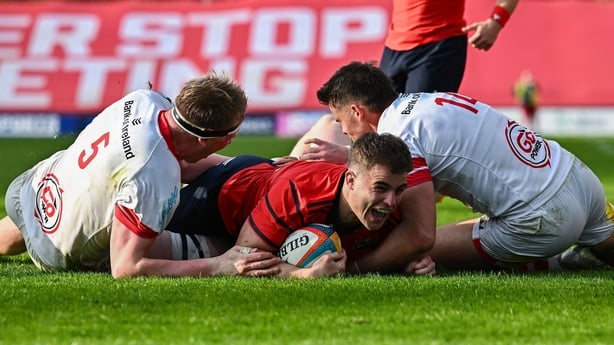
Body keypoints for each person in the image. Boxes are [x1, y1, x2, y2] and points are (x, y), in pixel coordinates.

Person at [291, 61, 614, 271]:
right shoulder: (428, 101)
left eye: (340, 119)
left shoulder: (401, 135)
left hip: (541, 219)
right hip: (579, 179)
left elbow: (418, 235)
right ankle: (587, 254)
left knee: (414, 254)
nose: (343, 130)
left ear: (357, 111)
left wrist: (355, 269)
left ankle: (555, 263)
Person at [0, 73, 282, 278]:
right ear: (203, 140)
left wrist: (258, 166)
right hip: (55, 254)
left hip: (29, 191)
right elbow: (126, 267)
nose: (232, 140)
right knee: (222, 245)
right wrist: (219, 265)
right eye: (231, 134)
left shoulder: (146, 100)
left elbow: (176, 160)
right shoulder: (153, 175)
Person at [158, 132, 436, 278]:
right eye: (381, 189)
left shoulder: (395, 206)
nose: (391, 202)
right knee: (132, 245)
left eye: (399, 190)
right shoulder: (298, 193)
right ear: (350, 179)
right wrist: (303, 275)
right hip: (224, 191)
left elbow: (412, 244)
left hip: (269, 184)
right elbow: (242, 257)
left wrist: (410, 263)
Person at [381, 0, 519, 93]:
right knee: (379, 125)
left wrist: (496, 22)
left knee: (421, 127)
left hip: (438, 47)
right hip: (393, 46)